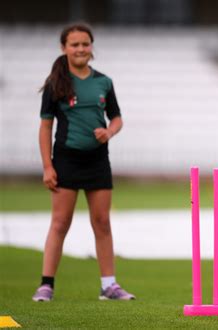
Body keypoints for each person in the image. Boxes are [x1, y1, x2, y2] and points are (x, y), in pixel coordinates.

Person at [32, 23, 135, 302]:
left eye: (85, 44)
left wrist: (109, 132)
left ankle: (109, 286)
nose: (80, 49)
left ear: (91, 47)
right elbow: (45, 128)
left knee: (102, 222)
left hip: (98, 161)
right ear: (64, 48)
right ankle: (46, 285)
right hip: (65, 161)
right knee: (60, 223)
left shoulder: (104, 82)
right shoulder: (56, 84)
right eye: (74, 44)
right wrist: (47, 166)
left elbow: (117, 118)